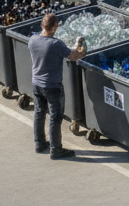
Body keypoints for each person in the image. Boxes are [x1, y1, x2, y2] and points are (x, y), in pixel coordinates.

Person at [28, 13, 86, 159]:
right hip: (52, 86)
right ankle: (56, 149)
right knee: (55, 117)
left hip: (36, 83)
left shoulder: (33, 40)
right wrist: (80, 47)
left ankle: (40, 143)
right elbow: (74, 56)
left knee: (39, 113)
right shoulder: (55, 44)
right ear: (54, 27)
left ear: (42, 25)